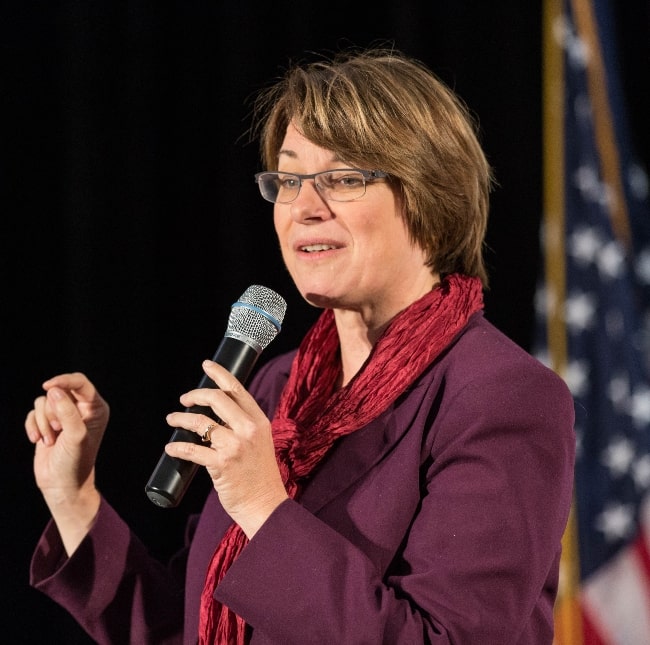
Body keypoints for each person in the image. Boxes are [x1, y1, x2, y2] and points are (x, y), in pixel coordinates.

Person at [24, 47, 575, 644]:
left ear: (427, 197)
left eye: (342, 178)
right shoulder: (274, 386)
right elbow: (185, 626)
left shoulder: (500, 396)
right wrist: (73, 498)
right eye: (288, 180)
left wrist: (265, 506)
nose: (305, 208)